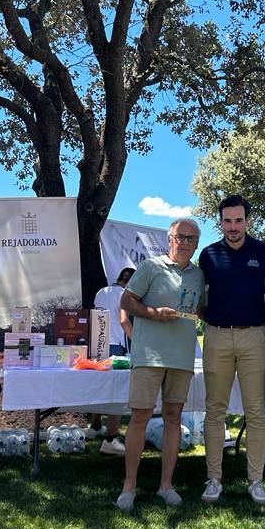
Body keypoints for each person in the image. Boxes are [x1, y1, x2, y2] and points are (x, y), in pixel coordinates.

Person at [116, 219, 206, 512]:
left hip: (182, 356)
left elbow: (202, 309)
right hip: (149, 355)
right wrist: (154, 313)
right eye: (181, 236)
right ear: (170, 238)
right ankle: (129, 486)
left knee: (173, 418)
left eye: (192, 238)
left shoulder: (198, 275)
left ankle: (166, 485)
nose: (185, 242)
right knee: (140, 417)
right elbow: (126, 301)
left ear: (196, 243)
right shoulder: (151, 267)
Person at [198, 194, 265, 505]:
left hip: (255, 337)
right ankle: (213, 479)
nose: (233, 227)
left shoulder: (263, 253)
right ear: (221, 222)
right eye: (227, 221)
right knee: (214, 410)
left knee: (255, 413)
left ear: (247, 221)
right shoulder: (209, 255)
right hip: (216, 337)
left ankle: (255, 481)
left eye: (238, 220)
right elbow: (198, 298)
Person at [87, 266, 135, 455]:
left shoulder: (101, 292)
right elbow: (125, 321)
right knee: (117, 391)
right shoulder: (125, 295)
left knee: (101, 388)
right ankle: (111, 438)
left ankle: (96, 426)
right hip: (116, 345)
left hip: (97, 344)